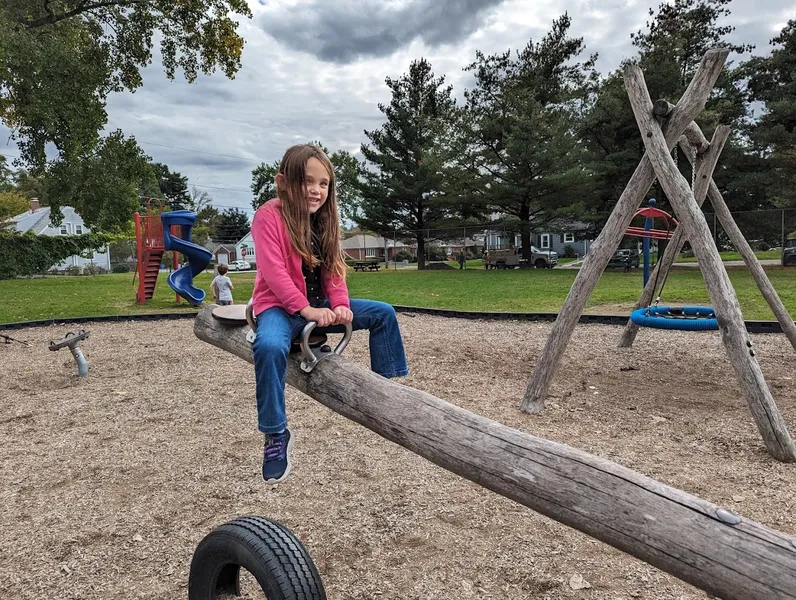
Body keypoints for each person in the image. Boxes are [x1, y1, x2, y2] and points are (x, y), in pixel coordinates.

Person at [250, 144, 408, 483]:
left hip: (316, 305)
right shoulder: (269, 216)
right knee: (268, 347)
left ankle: (385, 389)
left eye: (323, 184)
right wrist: (304, 309)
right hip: (280, 306)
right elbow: (275, 273)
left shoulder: (325, 220)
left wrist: (340, 306)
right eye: (307, 181)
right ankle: (276, 434)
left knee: (383, 314)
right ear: (283, 182)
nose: (316, 190)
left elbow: (334, 271)